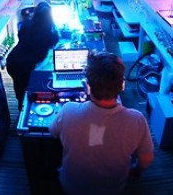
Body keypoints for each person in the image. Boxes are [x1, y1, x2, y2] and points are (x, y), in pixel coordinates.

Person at [49, 53, 154, 195]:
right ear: (122, 86)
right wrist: (136, 169)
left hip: (71, 187)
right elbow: (146, 159)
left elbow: (52, 131)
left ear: (87, 86)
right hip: (113, 190)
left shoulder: (68, 110)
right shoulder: (137, 120)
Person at [6, 1, 59, 111]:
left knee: (19, 86)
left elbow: (21, 37)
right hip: (26, 66)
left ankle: (20, 107)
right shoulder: (49, 34)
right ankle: (25, 110)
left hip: (12, 61)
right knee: (29, 88)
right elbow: (55, 42)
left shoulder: (26, 24)